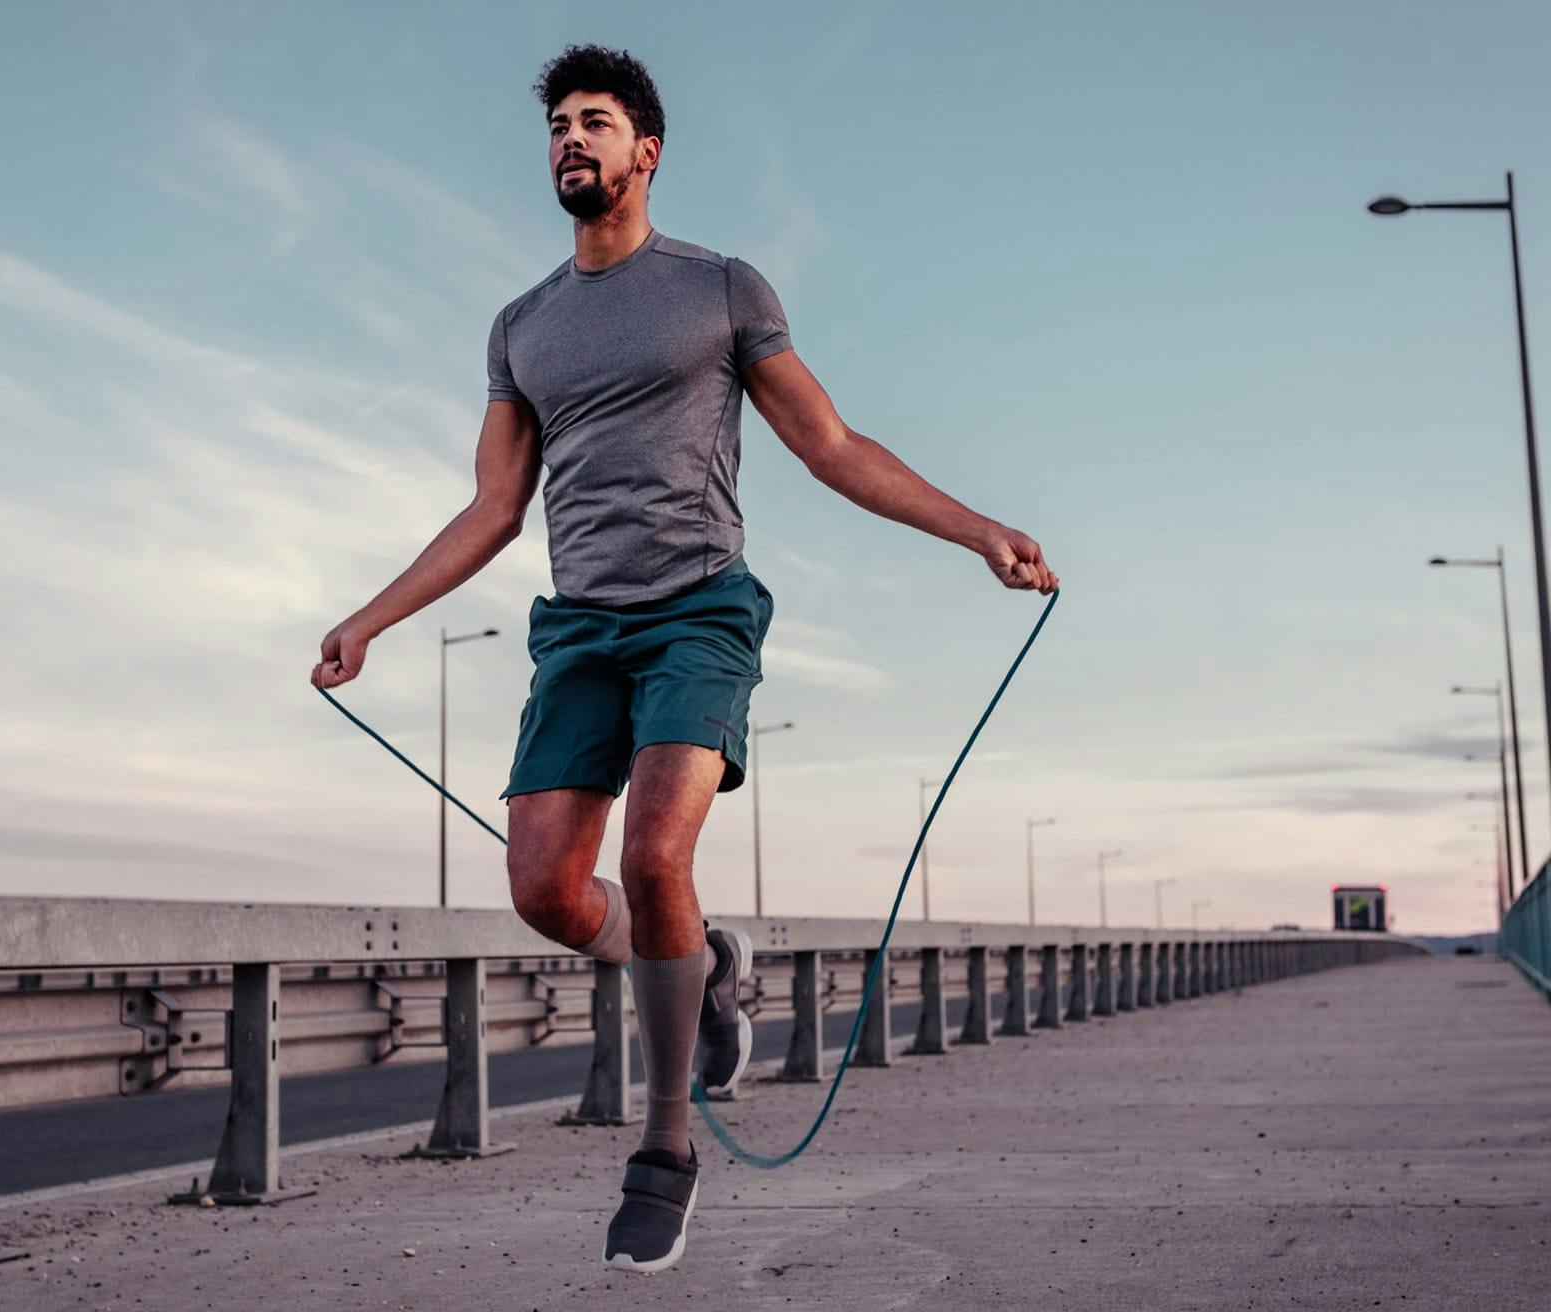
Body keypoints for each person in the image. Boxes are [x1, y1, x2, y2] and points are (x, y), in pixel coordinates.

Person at [311, 42, 1057, 1274]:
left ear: (645, 151)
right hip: (579, 628)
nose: (570, 141)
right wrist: (371, 618)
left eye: (594, 123)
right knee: (547, 892)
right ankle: (712, 965)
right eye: (558, 125)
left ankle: (664, 1145)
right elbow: (493, 509)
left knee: (658, 853)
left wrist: (979, 530)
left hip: (700, 610)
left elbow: (830, 445)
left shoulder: (719, 288)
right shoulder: (521, 328)